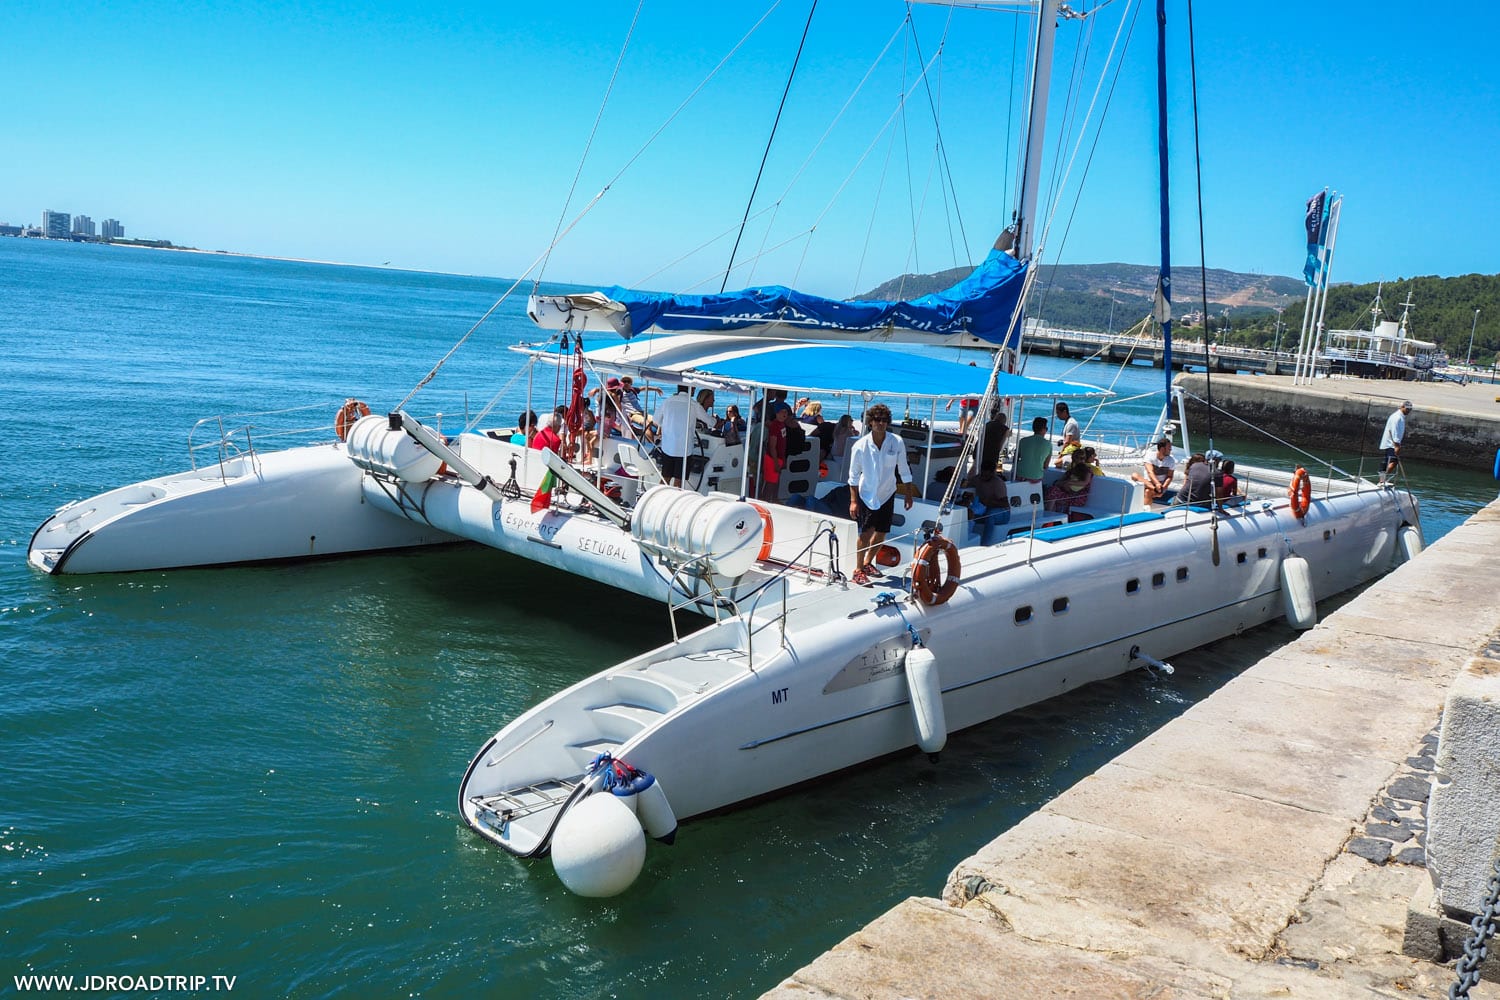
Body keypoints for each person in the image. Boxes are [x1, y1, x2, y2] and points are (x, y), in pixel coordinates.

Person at [847, 403, 913, 585]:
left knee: (882, 532)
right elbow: (852, 476)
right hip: (867, 494)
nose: (881, 423)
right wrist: (853, 501)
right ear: (870, 422)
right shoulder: (860, 446)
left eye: (884, 420)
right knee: (865, 533)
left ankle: (868, 563)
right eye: (877, 420)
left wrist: (908, 494)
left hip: (888, 492)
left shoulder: (896, 442)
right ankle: (858, 570)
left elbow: (904, 469)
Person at [654, 385, 712, 487]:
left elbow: (656, 420)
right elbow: (710, 421)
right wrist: (718, 423)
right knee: (678, 481)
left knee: (665, 478)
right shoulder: (693, 405)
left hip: (668, 447)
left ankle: (657, 498)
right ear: (691, 389)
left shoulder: (668, 401)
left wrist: (668, 427)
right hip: (684, 450)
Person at [970, 467, 1011, 545]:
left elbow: (1005, 504)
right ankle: (968, 541)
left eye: (987, 475)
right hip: (984, 508)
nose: (984, 477)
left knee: (990, 514)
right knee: (969, 514)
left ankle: (985, 544)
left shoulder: (998, 483)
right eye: (982, 474)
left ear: (993, 473)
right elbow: (966, 483)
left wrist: (990, 502)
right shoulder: (977, 479)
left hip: (1002, 513)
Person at [1378, 400, 1412, 486]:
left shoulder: (1400, 416)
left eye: (1409, 410)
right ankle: (1382, 480)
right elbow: (1394, 431)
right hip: (1391, 443)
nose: (1408, 411)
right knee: (1393, 461)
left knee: (1389, 461)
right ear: (1402, 407)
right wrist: (1396, 445)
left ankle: (1382, 479)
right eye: (1407, 409)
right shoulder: (1397, 417)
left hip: (1392, 443)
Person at [1132, 438, 1176, 504]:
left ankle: (1145, 512)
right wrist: (1156, 484)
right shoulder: (1150, 456)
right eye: (1169, 448)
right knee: (1134, 475)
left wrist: (1163, 488)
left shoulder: (1171, 461)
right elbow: (1150, 472)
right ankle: (1155, 489)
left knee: (1148, 492)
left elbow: (1170, 476)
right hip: (1148, 482)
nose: (1170, 450)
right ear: (1162, 449)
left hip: (1161, 485)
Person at [1014, 416, 1052, 483]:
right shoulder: (1048, 444)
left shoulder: (1023, 441)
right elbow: (1046, 466)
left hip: (1020, 475)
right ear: (1043, 429)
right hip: (1036, 477)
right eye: (1046, 428)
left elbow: (1015, 459)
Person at [977, 406, 1010, 476]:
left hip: (982, 447)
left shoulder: (988, 424)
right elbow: (1001, 446)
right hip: (993, 450)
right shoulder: (1005, 429)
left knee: (981, 466)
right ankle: (995, 477)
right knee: (993, 466)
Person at [1053, 402, 1082, 467]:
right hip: (1069, 451)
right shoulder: (1068, 421)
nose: (1057, 415)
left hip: (1071, 453)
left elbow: (1068, 442)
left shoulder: (1070, 424)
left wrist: (1060, 455)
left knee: (1057, 465)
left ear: (1064, 411)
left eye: (1058, 413)